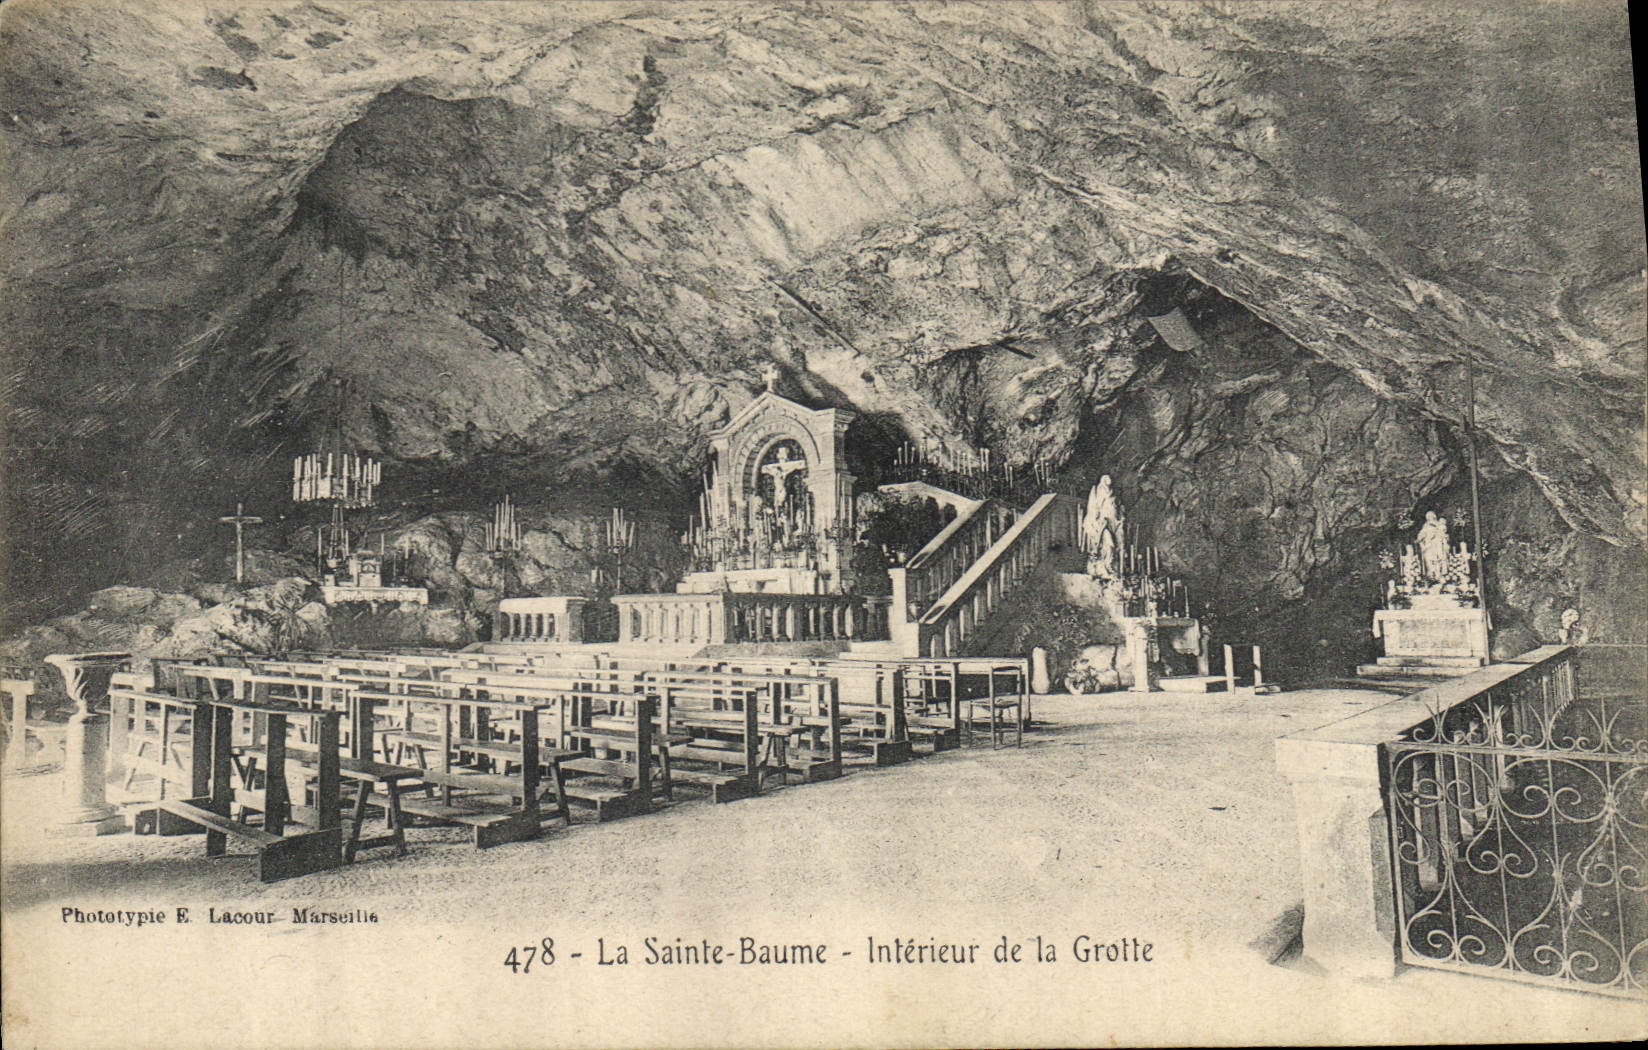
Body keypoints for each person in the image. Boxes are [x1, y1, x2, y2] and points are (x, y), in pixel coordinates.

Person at [1415, 510, 1450, 584]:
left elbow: (1444, 535)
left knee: (1439, 561)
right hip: (1429, 547)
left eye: (1432, 516)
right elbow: (1420, 536)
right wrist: (1420, 541)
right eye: (1429, 516)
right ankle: (1431, 576)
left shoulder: (1439, 525)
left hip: (1438, 546)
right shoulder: (1426, 526)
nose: (1430, 518)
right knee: (1429, 562)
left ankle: (1438, 576)